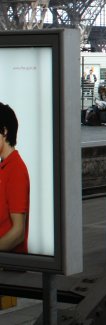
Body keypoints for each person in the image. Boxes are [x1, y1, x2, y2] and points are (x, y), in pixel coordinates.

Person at [0, 102, 30, 253]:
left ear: (4, 131)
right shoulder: (4, 167)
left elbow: (18, 233)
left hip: (11, 267)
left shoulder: (16, 170)